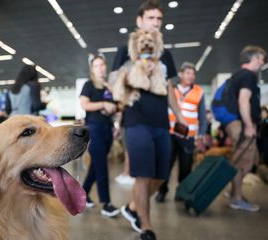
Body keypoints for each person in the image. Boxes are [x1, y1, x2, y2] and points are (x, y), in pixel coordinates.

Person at [112, 1, 186, 239]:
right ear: (139, 21)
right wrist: (138, 74)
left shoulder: (166, 54)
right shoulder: (126, 50)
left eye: (159, 19)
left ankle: (133, 208)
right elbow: (114, 83)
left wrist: (181, 115)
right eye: (151, 18)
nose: (155, 23)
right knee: (143, 175)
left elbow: (170, 88)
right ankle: (147, 226)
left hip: (161, 121)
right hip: (136, 120)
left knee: (161, 176)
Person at [156, 62, 207, 202]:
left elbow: (202, 116)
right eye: (188, 73)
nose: (191, 76)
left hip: (188, 136)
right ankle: (162, 190)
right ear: (180, 74)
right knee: (166, 164)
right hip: (170, 133)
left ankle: (181, 191)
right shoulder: (170, 88)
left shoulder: (199, 92)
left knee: (186, 167)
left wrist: (201, 135)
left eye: (193, 74)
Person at [225, 45, 266, 212]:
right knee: (243, 163)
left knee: (241, 160)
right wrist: (249, 125)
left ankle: (236, 194)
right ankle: (237, 199)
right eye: (262, 58)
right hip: (242, 124)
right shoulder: (248, 75)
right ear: (254, 58)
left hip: (236, 123)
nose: (263, 62)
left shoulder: (237, 75)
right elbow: (244, 101)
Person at [80, 55, 120, 217]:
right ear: (92, 69)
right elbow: (84, 104)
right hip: (94, 128)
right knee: (102, 165)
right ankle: (106, 203)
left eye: (102, 64)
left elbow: (117, 106)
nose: (100, 68)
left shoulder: (109, 87)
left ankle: (83, 194)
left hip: (108, 128)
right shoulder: (88, 85)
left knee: (96, 166)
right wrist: (103, 104)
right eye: (96, 66)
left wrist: (115, 118)